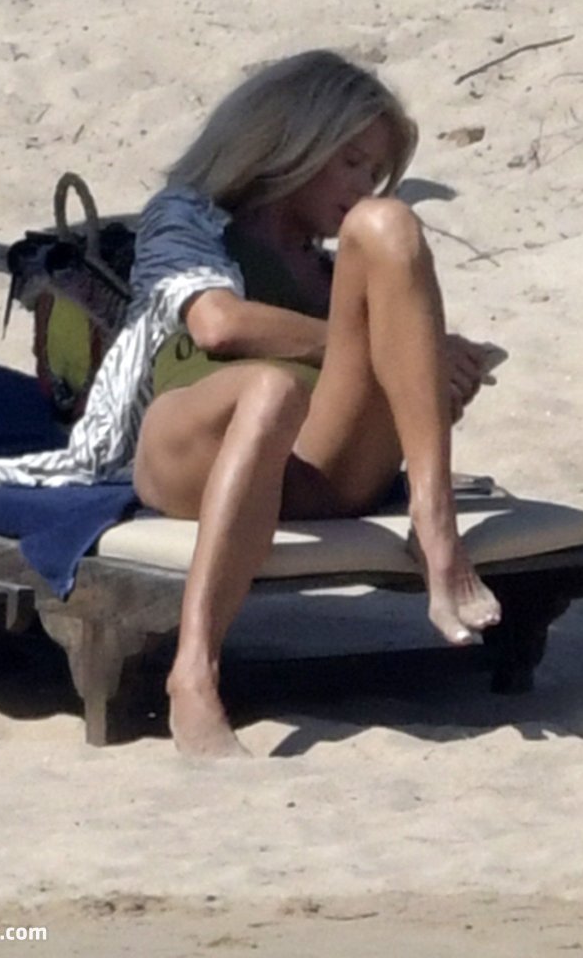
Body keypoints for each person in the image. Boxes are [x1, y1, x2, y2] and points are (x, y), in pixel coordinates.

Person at [128, 49, 501, 757]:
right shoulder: (189, 216)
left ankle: (435, 522)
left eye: (374, 170)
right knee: (266, 392)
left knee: (388, 226)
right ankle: (194, 673)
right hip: (190, 446)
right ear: (290, 141)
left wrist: (427, 379)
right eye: (350, 162)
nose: (362, 185)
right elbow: (217, 324)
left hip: (313, 465)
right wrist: (395, 347)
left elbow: (368, 377)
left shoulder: (336, 266)